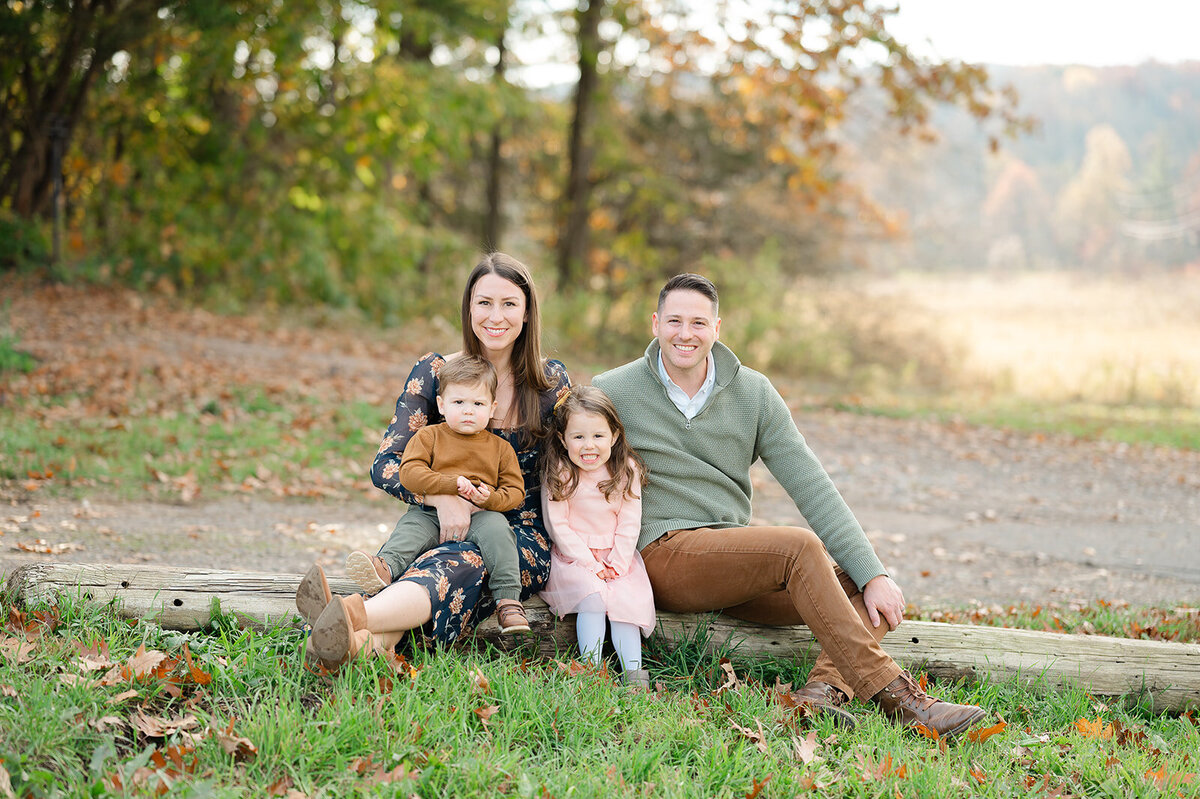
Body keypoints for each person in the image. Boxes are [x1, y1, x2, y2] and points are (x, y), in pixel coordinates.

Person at [593, 273, 987, 737]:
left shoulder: (754, 393)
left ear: (717, 328)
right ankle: (902, 701)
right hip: (662, 551)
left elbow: (812, 486)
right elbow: (568, 466)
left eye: (698, 322)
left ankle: (820, 694)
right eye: (674, 321)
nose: (685, 333)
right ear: (655, 323)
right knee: (799, 547)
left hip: (732, 560)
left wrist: (874, 572)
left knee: (863, 587)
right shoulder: (614, 390)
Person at [296, 253, 570, 666]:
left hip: (516, 535)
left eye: (510, 303)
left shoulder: (550, 384)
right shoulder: (436, 372)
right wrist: (442, 498)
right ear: (468, 308)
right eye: (484, 302)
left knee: (462, 561)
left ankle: (354, 613)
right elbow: (387, 464)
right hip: (439, 517)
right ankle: (360, 646)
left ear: (528, 312)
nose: (496, 316)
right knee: (429, 554)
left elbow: (578, 468)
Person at [343, 354, 531, 633]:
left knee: (499, 533)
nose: (468, 411)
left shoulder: (500, 448)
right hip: (431, 512)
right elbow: (409, 473)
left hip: (482, 514)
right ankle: (386, 567)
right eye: (459, 403)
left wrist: (488, 499)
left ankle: (508, 601)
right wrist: (450, 485)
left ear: (492, 408)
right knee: (411, 529)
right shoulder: (429, 437)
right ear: (441, 405)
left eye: (478, 404)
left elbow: (514, 491)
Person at [538, 386, 656, 688]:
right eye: (578, 437)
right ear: (563, 439)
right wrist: (591, 564)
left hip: (618, 558)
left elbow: (630, 522)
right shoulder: (560, 472)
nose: (588, 446)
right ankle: (590, 672)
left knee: (624, 604)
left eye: (598, 436)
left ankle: (634, 676)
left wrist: (617, 562)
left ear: (614, 436)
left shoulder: (625, 469)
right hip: (573, 559)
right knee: (592, 597)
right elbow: (558, 526)